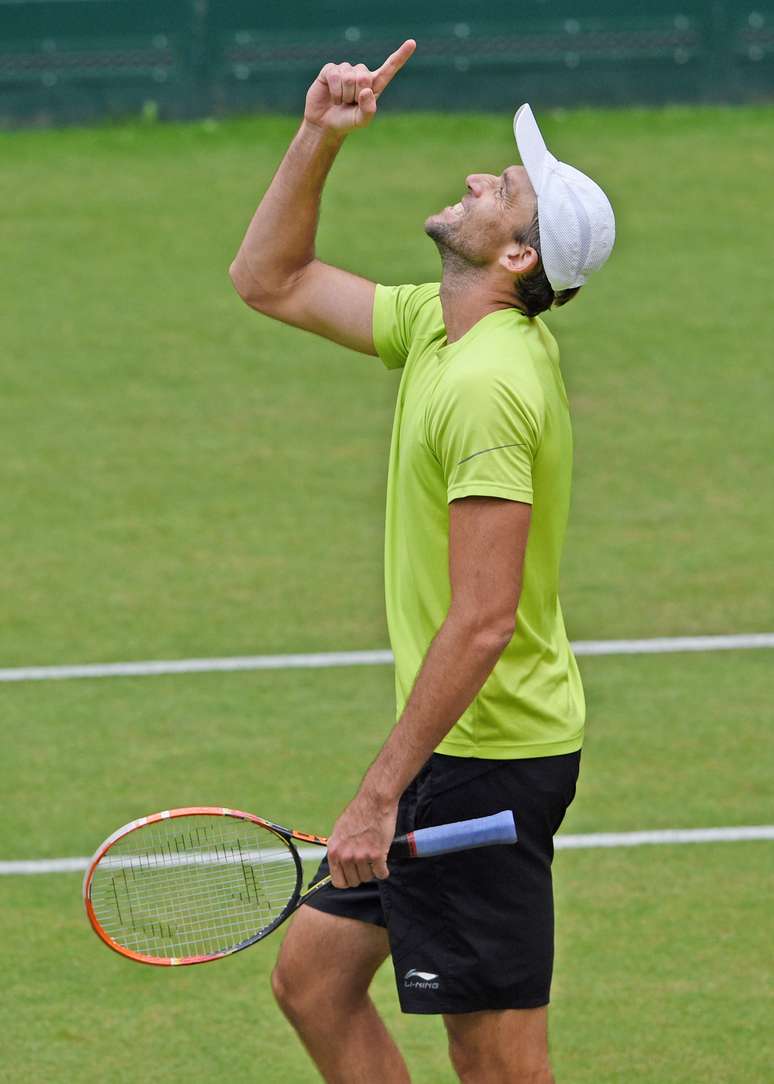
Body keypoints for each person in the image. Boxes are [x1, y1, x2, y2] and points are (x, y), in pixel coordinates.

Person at [229, 38, 615, 1084]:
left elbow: (485, 618)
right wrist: (319, 134)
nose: (481, 176)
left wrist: (378, 793)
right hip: (459, 750)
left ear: (518, 257)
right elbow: (271, 279)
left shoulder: (489, 385)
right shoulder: (441, 331)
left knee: (496, 1063)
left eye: (506, 187)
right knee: (313, 978)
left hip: (489, 758)